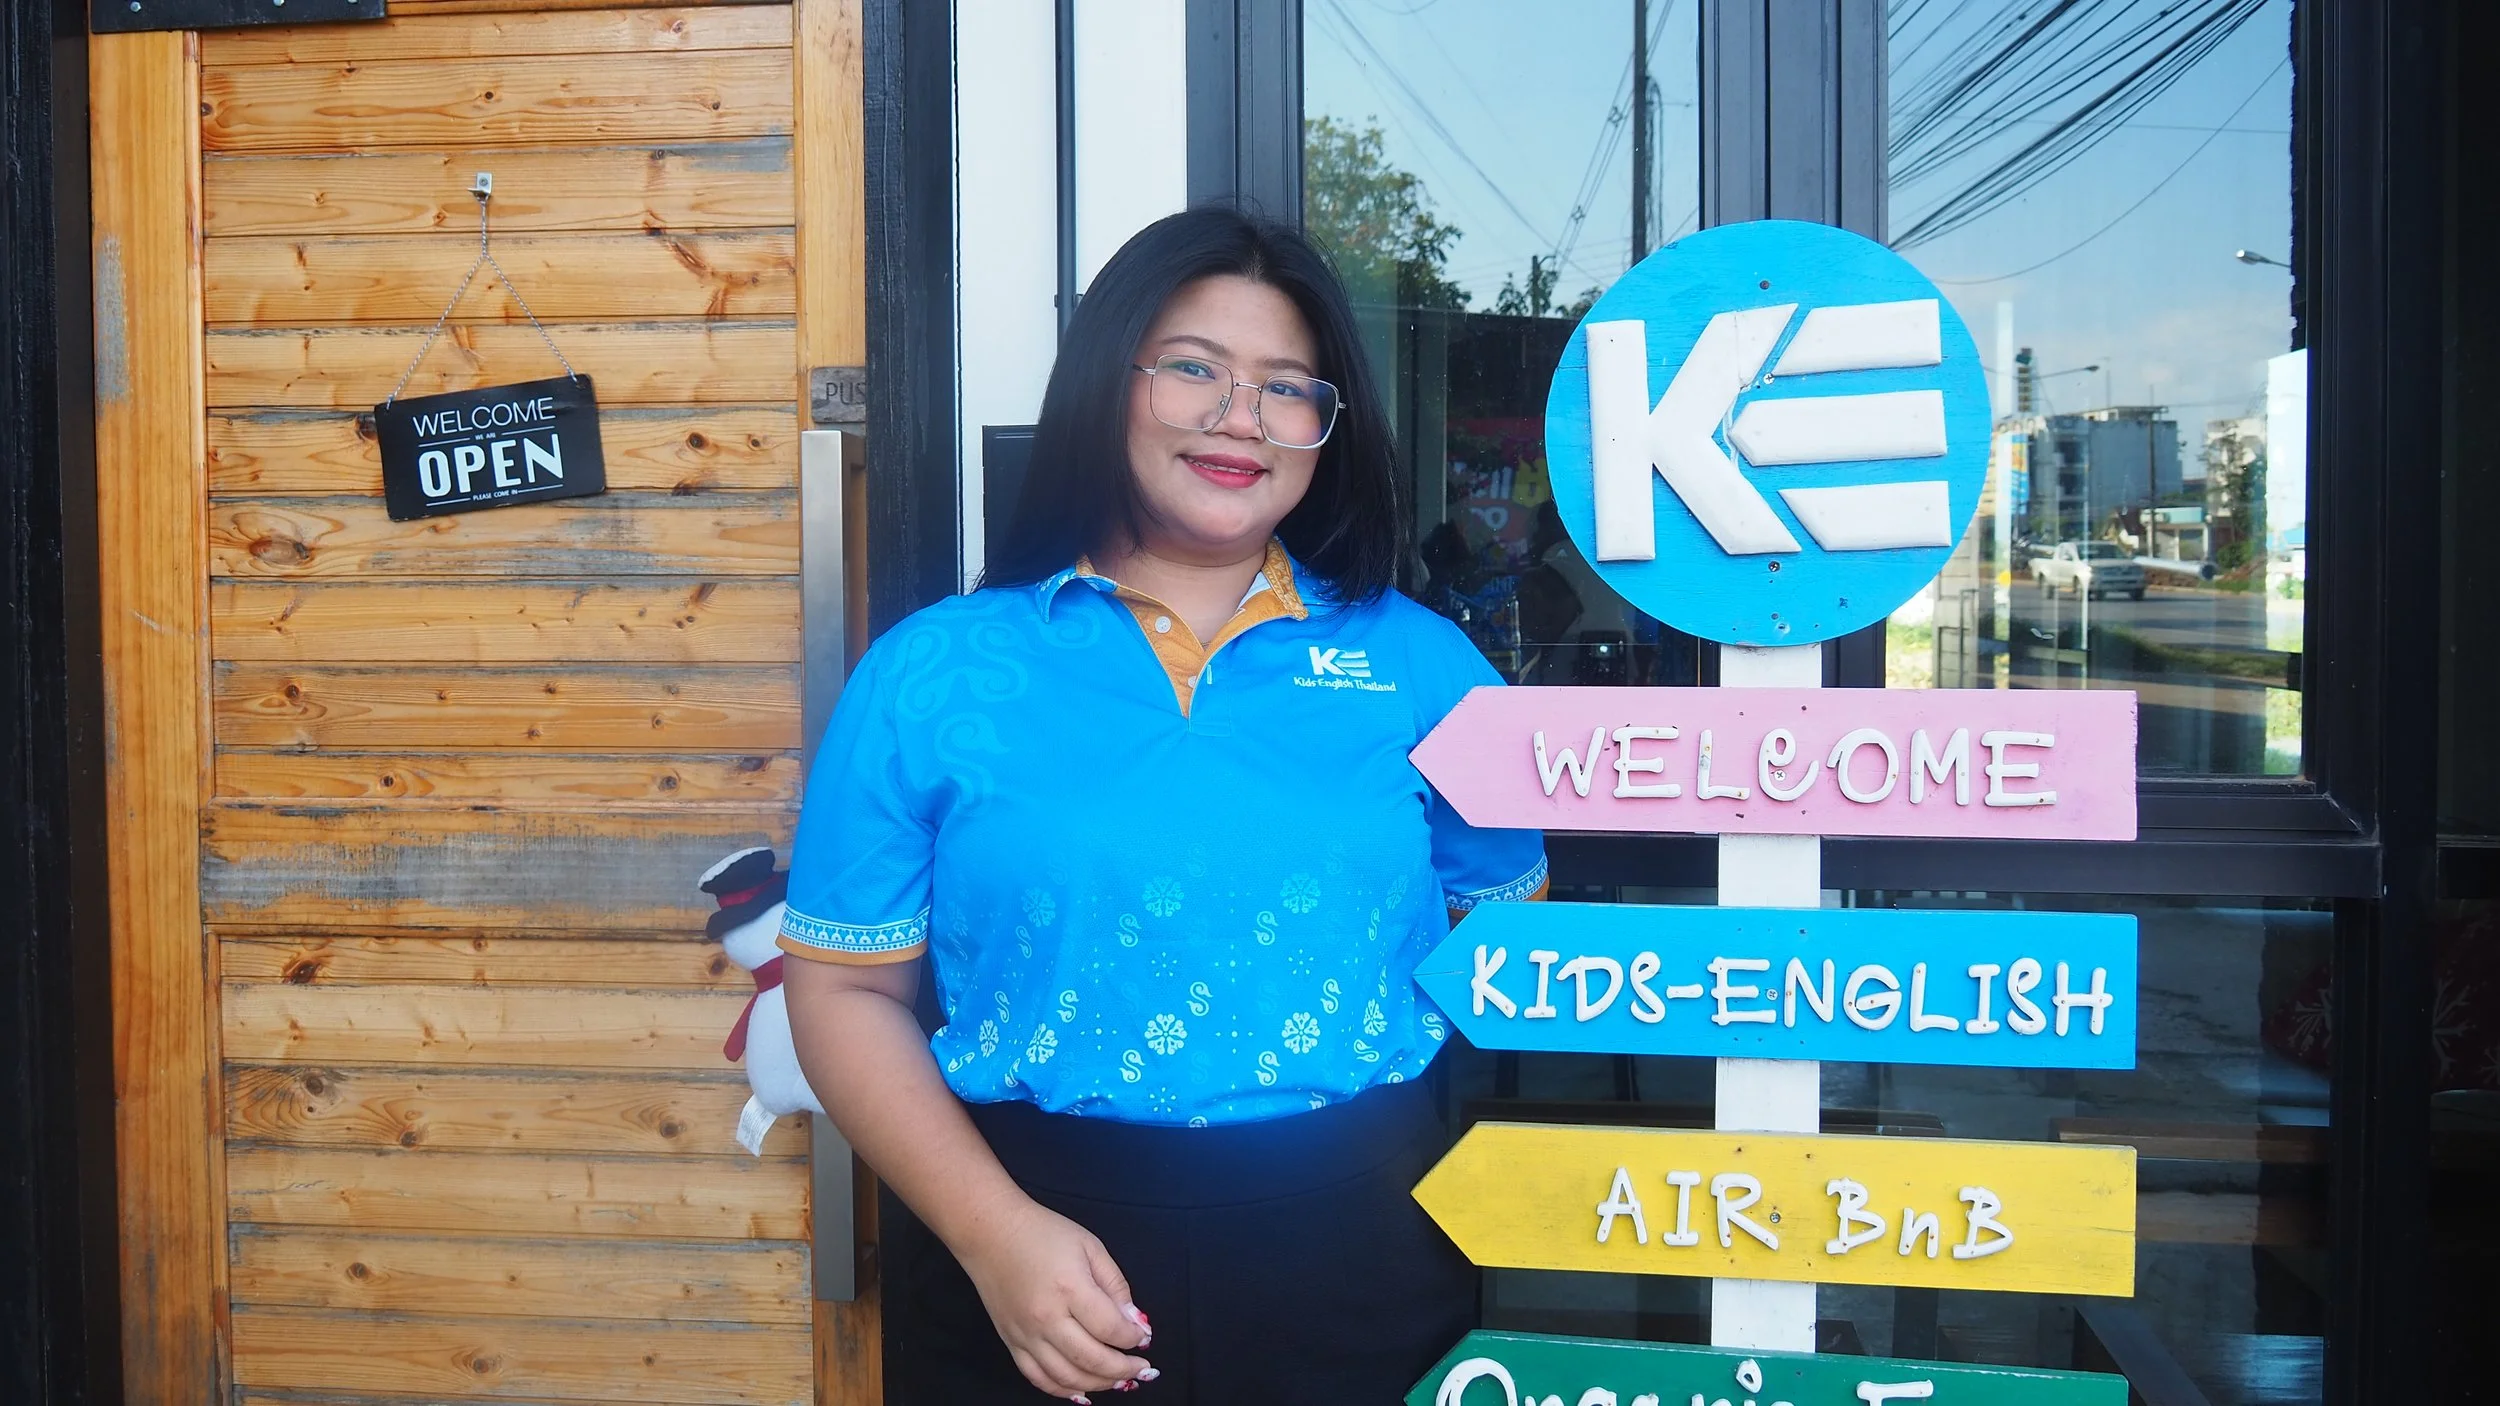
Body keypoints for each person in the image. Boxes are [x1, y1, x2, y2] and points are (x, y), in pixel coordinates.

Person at [779, 206, 1548, 1404]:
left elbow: (1506, 923)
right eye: (1195, 367)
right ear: (1109, 381)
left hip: (1363, 1247)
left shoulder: (1427, 668)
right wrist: (992, 1234)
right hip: (1027, 1253)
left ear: (1325, 430)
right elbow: (841, 988)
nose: (1240, 417)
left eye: (1288, 387)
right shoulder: (935, 672)